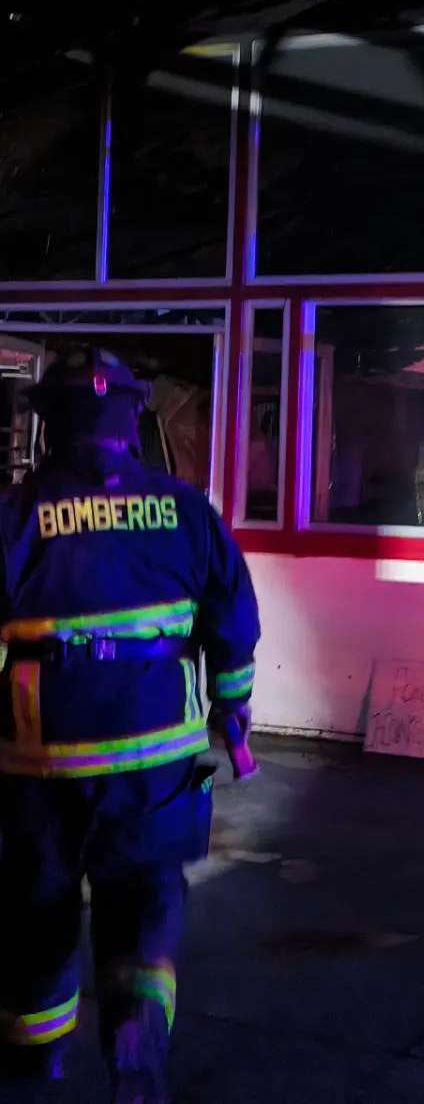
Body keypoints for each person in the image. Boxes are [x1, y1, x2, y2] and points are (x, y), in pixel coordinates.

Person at [0, 348, 260, 1104]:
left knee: (37, 915)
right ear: (133, 420)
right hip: (155, 766)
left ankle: (32, 1069)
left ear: (47, 426)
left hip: (39, 764)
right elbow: (233, 622)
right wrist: (231, 710)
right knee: (144, 906)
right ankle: (137, 1067)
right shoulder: (185, 512)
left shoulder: (15, 518)